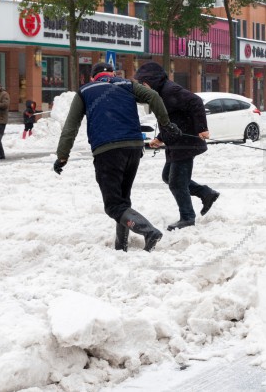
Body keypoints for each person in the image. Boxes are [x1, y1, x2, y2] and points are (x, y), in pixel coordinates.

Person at [54, 62, 180, 252]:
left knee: (113, 206)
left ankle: (148, 231)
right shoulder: (127, 85)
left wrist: (62, 156)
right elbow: (153, 95)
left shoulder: (85, 91)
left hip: (107, 151)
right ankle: (120, 246)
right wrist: (166, 124)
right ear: (113, 73)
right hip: (134, 148)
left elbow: (71, 126)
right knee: (122, 201)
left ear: (92, 77)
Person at [134, 62, 220, 231]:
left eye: (143, 83)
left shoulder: (170, 91)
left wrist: (202, 128)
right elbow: (171, 120)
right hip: (177, 144)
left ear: (150, 81)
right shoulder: (160, 93)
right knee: (168, 176)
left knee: (176, 183)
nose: (142, 88)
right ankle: (205, 193)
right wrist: (160, 138)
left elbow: (196, 102)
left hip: (186, 143)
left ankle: (187, 217)